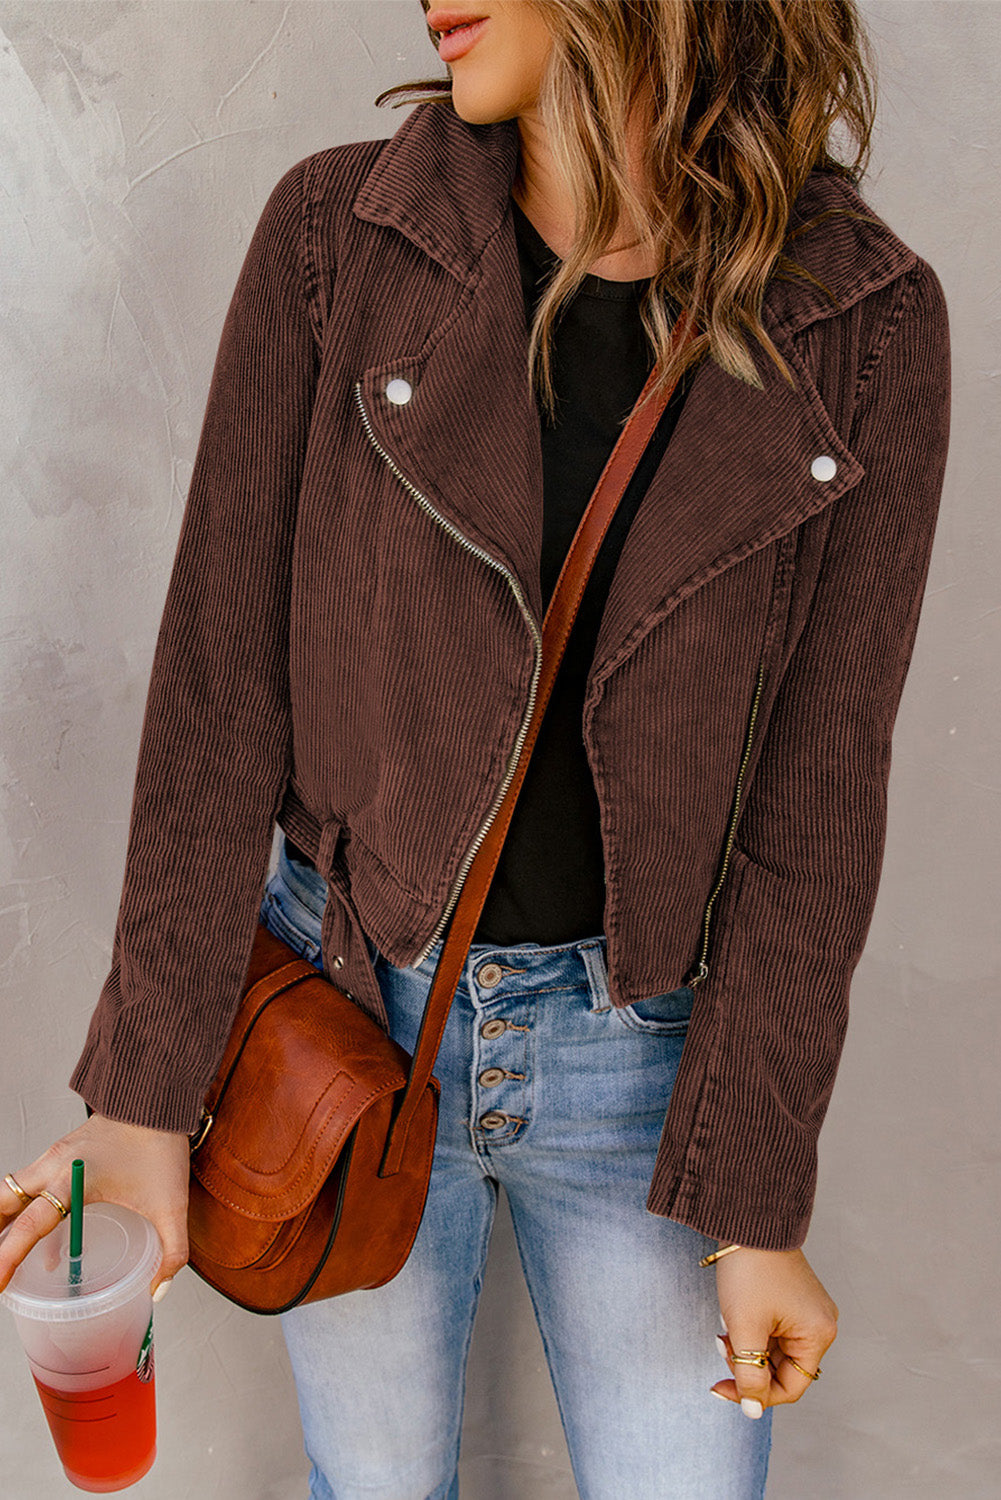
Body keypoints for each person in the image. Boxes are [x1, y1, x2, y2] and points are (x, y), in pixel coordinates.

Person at [0, 2, 950, 1496]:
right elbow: (216, 688)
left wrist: (757, 1204)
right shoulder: (339, 240)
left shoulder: (863, 319)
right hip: (347, 1021)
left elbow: (817, 799)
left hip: (650, 1061)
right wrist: (138, 1102)